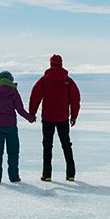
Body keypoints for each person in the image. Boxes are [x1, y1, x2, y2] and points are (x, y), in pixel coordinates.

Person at [29, 54, 81, 182]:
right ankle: (70, 174)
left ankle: (47, 175)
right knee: (66, 145)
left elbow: (35, 96)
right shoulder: (68, 81)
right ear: (61, 64)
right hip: (63, 118)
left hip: (47, 118)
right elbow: (75, 99)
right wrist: (74, 116)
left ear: (51, 64)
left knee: (47, 146)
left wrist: (32, 113)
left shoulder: (44, 80)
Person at [0, 71, 36, 184]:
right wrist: (30, 118)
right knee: (13, 152)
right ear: (10, 79)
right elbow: (20, 110)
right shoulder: (14, 93)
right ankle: (14, 177)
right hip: (11, 127)